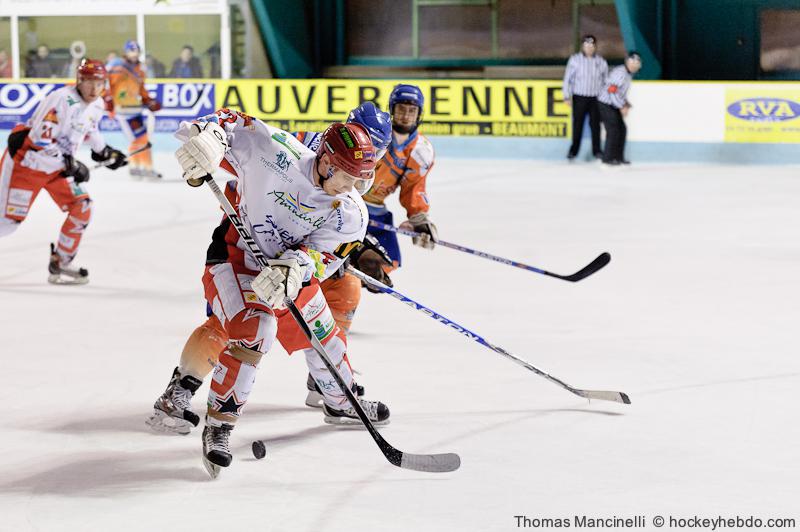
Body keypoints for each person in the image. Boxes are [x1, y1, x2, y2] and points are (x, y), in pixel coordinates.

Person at [157, 108, 387, 474]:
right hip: (236, 256)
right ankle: (218, 427)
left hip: (288, 272)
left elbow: (324, 255)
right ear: (326, 163)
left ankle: (341, 401)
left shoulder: (351, 213)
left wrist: (296, 268)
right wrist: (209, 139)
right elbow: (227, 123)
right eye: (346, 177)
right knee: (255, 330)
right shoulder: (275, 151)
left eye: (359, 180)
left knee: (324, 336)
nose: (350, 188)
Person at [0, 59, 127, 284]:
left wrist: (106, 152)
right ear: (79, 80)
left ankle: (61, 261)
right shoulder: (61, 99)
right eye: (89, 82)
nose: (94, 89)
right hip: (26, 165)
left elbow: (90, 130)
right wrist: (72, 165)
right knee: (7, 224)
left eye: (99, 83)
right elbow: (40, 141)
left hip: (56, 169)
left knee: (82, 207)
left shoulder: (97, 105)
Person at [106, 40, 163, 179]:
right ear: (126, 52)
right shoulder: (117, 66)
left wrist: (148, 100)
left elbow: (141, 89)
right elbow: (106, 83)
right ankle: (138, 167)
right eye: (131, 51)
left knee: (141, 139)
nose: (134, 54)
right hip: (122, 111)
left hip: (135, 110)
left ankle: (140, 167)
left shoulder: (140, 69)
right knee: (137, 140)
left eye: (137, 51)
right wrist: (107, 99)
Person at [563, 35, 608, 161]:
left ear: (595, 47)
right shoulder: (575, 60)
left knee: (595, 126)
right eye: (586, 45)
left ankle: (597, 151)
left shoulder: (601, 61)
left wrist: (605, 98)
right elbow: (568, 79)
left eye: (591, 46)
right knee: (577, 125)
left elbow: (605, 81)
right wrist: (566, 96)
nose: (589, 48)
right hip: (579, 97)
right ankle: (573, 151)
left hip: (595, 98)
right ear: (582, 46)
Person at [597, 51, 642, 166]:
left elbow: (620, 92)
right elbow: (611, 91)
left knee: (622, 129)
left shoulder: (628, 74)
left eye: (637, 63)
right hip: (606, 104)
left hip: (613, 104)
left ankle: (618, 157)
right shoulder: (620, 73)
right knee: (613, 129)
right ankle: (608, 158)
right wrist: (621, 106)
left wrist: (625, 103)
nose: (634, 65)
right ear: (627, 62)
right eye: (632, 62)